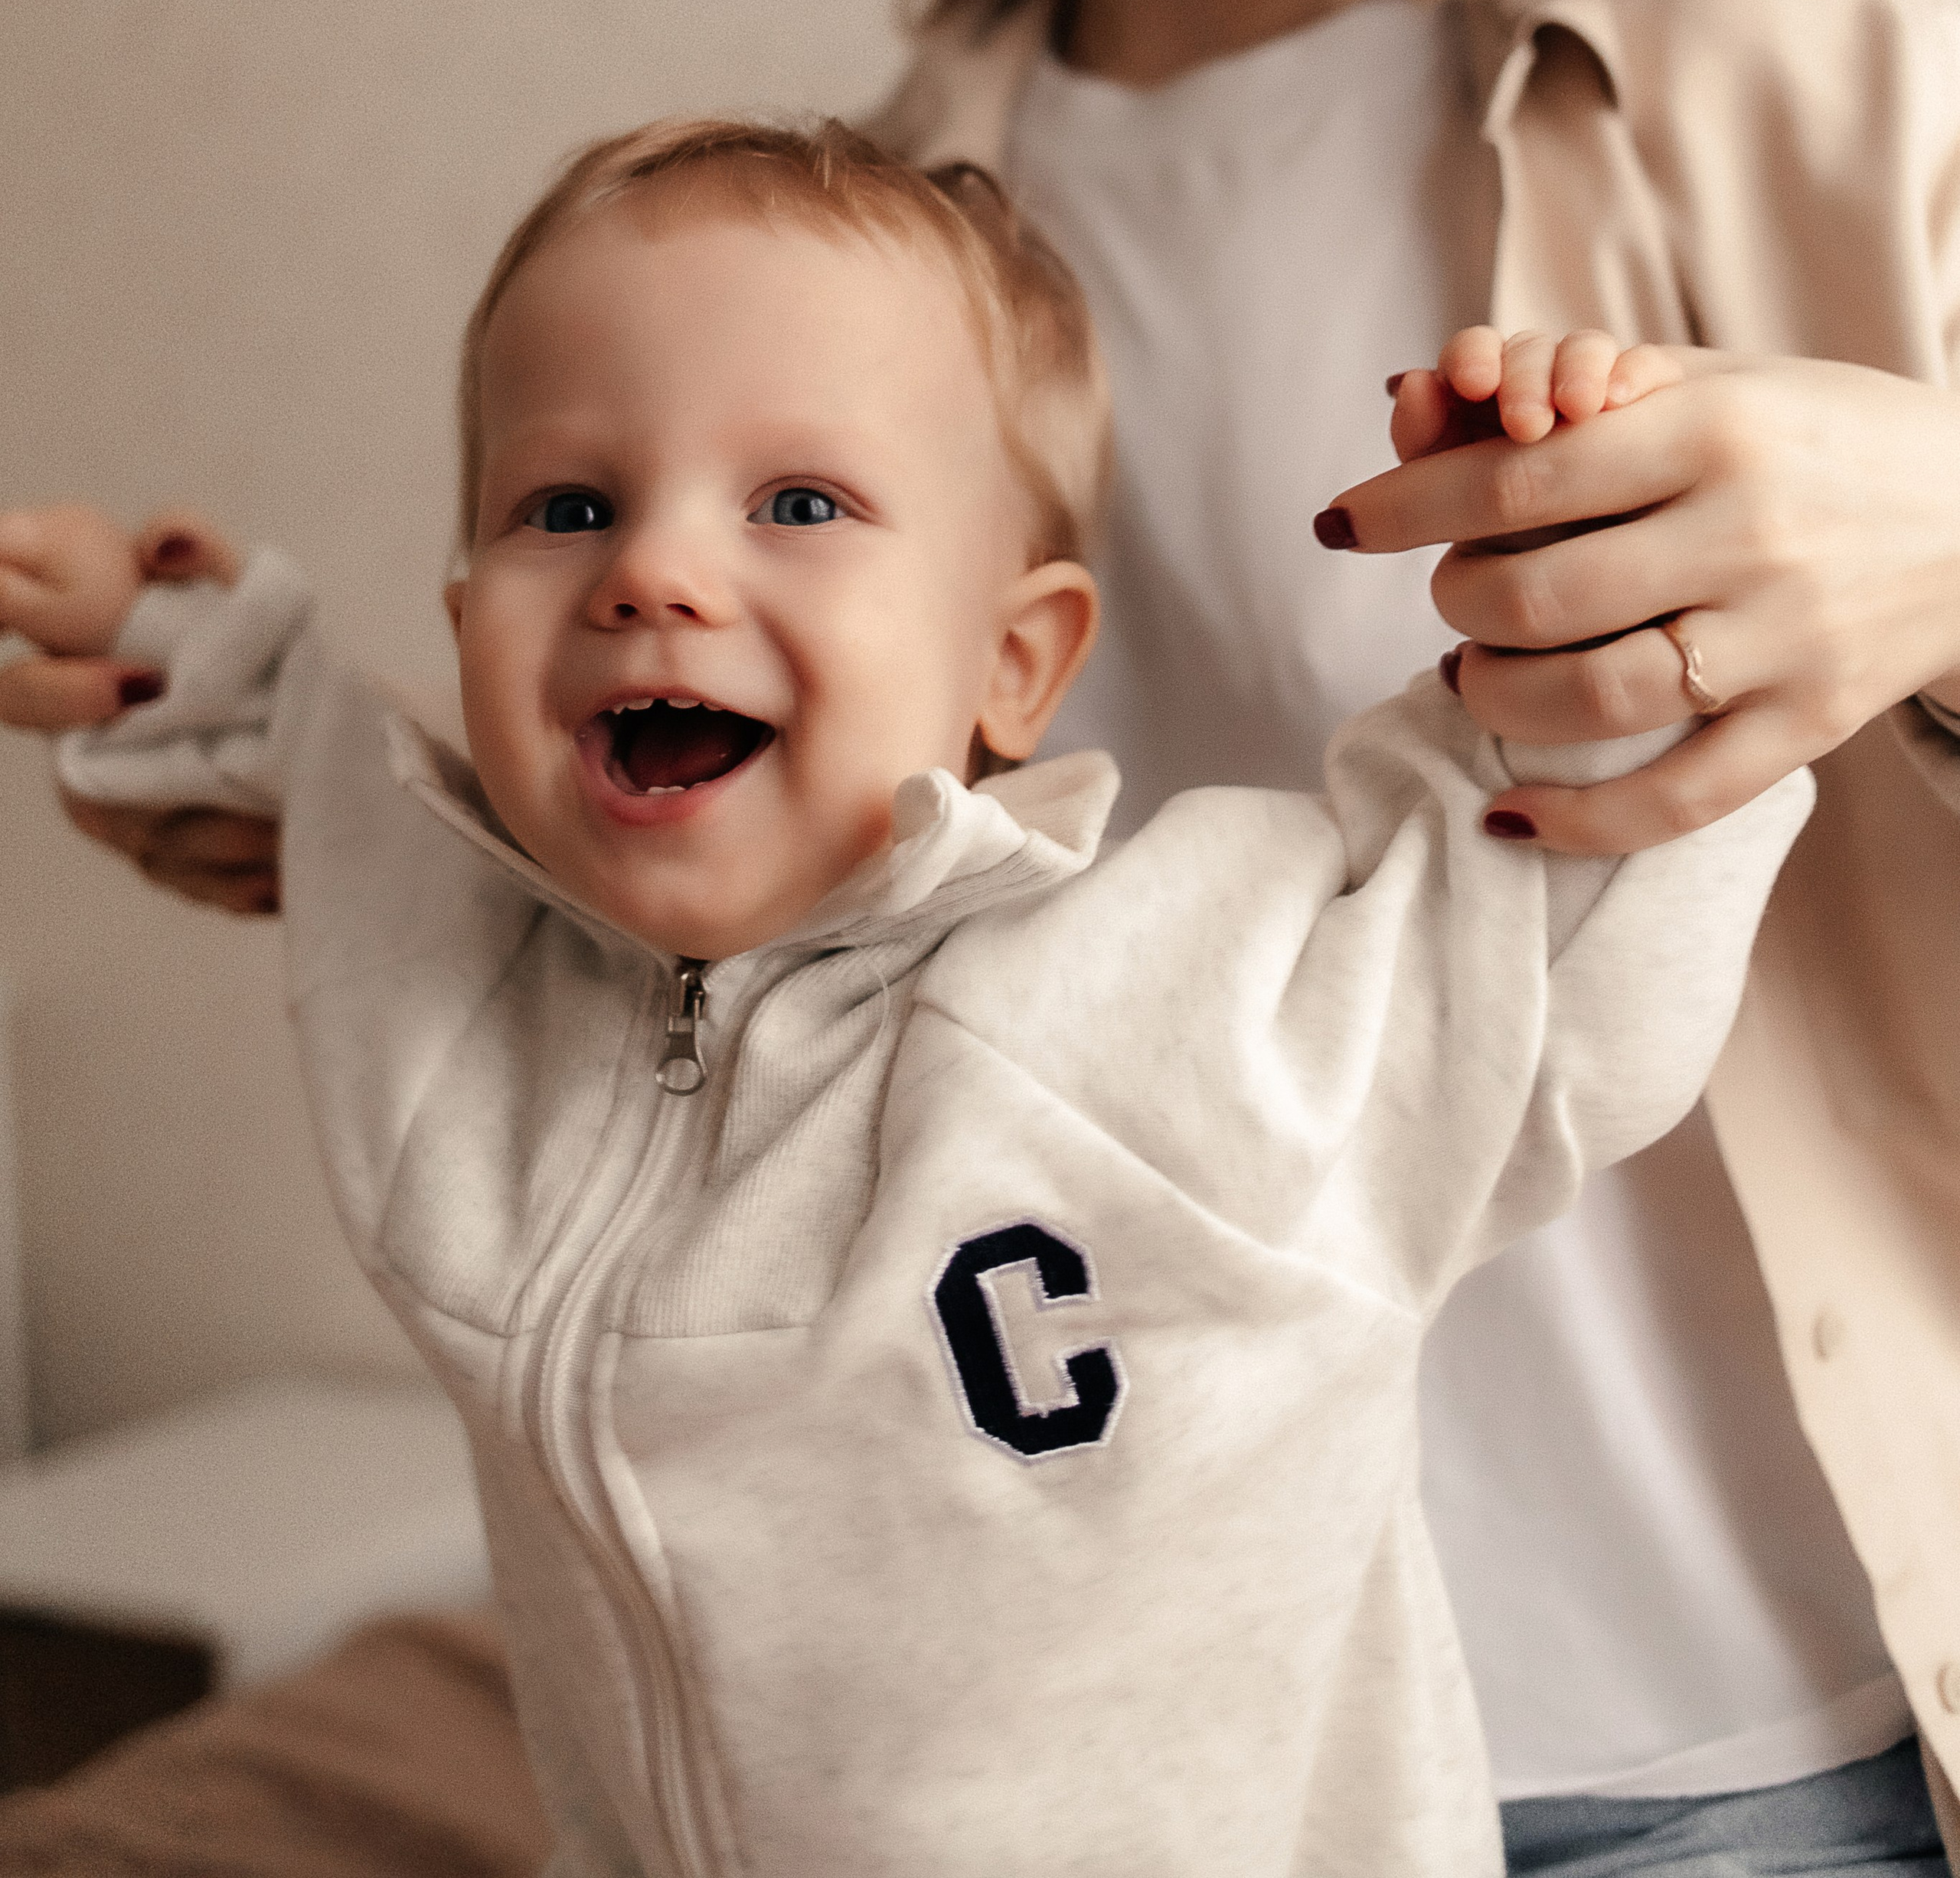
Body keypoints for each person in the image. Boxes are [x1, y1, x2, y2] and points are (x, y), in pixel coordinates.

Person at [10, 0, 1960, 1875]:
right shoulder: (856, 250)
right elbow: (854, 941)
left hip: (1726, 1732)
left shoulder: (1818, 116)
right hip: (1058, 1758)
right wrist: (364, 798)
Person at [2, 114, 1810, 1877]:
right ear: (470, 612)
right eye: (568, 505)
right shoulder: (485, 992)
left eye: (798, 502)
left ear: (1011, 660)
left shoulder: (1180, 1018)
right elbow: (339, 786)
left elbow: (1544, 915)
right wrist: (149, 654)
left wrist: (1598, 569)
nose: (652, 571)